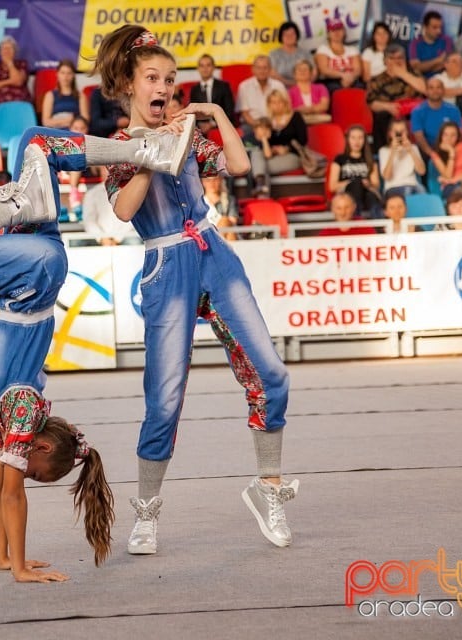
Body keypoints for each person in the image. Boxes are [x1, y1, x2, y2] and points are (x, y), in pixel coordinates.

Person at [0, 124, 195, 581]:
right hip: (32, 274)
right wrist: (21, 568)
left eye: (33, 477)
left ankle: (148, 153)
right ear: (39, 446)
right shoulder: (23, 410)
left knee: (35, 142)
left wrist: (2, 557)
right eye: (37, 472)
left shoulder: (12, 421)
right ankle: (19, 205)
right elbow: (13, 495)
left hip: (35, 265)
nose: (26, 476)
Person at [93, 25, 298, 555]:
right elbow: (123, 210)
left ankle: (268, 487)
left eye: (170, 79)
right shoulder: (115, 145)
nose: (164, 87)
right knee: (163, 400)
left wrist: (217, 116)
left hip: (214, 252)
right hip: (165, 263)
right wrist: (153, 152)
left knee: (271, 372)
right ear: (129, 85)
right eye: (153, 78)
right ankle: (146, 514)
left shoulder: (188, 130)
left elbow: (241, 164)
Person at [365, 44, 426, 151]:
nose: (396, 61)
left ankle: (423, 151)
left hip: (413, 112)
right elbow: (372, 103)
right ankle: (383, 151)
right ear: (385, 61)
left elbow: (425, 89)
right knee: (381, 116)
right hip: (390, 113)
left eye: (400, 58)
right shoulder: (376, 80)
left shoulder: (414, 74)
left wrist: (403, 74)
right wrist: (388, 107)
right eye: (392, 58)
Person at [249, 90, 306, 197]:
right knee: (256, 154)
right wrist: (264, 139)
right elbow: (263, 144)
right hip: (271, 155)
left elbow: (303, 140)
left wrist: (287, 149)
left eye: (280, 102)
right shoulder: (268, 121)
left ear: (285, 103)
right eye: (273, 102)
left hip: (292, 156)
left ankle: (262, 195)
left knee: (259, 167)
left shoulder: (296, 117)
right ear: (269, 105)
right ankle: (261, 187)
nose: (277, 105)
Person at [328, 125, 382, 218]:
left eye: (360, 138)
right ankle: (356, 218)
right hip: (346, 193)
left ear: (365, 140)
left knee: (371, 197)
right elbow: (332, 186)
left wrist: (367, 183)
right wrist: (352, 181)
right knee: (356, 184)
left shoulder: (370, 159)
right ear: (348, 139)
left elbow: (376, 184)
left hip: (366, 192)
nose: (357, 141)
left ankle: (379, 226)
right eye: (353, 138)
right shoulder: (340, 159)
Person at [411, 77, 462, 160]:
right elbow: (419, 137)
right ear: (426, 91)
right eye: (431, 88)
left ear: (443, 90)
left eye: (438, 87)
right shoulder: (417, 111)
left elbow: (459, 134)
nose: (435, 91)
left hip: (449, 148)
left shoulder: (453, 110)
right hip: (427, 150)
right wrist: (432, 154)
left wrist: (451, 150)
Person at [0, 36, 33, 120]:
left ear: (15, 51)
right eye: (4, 49)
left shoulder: (21, 64)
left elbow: (18, 81)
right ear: (0, 52)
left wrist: (10, 63)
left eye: (10, 48)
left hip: (20, 104)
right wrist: (10, 81)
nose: (6, 51)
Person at [235, 55, 286, 132]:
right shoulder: (244, 86)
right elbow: (245, 113)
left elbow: (285, 109)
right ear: (253, 69)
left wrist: (274, 124)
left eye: (265, 68)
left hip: (275, 124)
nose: (262, 71)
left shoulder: (278, 85)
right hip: (251, 125)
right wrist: (259, 126)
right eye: (258, 68)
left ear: (270, 69)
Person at [379, 119, 427, 198]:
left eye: (402, 131)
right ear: (390, 133)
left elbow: (422, 171)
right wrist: (392, 152)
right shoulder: (384, 151)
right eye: (396, 132)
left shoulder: (413, 148)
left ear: (407, 132)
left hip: (413, 185)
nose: (399, 135)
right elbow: (387, 176)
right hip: (393, 187)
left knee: (422, 193)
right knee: (407, 193)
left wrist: (410, 151)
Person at [314, 20, 363, 94]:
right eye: (333, 30)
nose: (336, 32)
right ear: (328, 34)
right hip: (331, 80)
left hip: (351, 78)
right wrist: (343, 75)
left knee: (361, 88)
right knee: (336, 90)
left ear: (344, 32)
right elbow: (324, 70)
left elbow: (358, 70)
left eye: (339, 29)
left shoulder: (352, 49)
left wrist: (349, 78)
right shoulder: (323, 49)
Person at [189, 54, 234, 133]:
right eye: (202, 66)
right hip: (201, 129)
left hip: (221, 126)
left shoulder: (223, 86)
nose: (205, 69)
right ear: (198, 68)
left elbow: (229, 111)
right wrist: (200, 125)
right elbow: (193, 112)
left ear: (213, 67)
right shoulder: (194, 90)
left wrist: (212, 124)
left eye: (208, 65)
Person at [429, 121, 462, 197]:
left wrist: (454, 180)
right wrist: (451, 152)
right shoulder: (435, 154)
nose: (449, 138)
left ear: (458, 136)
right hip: (450, 187)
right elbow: (448, 176)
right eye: (445, 135)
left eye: (453, 135)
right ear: (441, 136)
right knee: (460, 190)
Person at [41, 59, 88, 129]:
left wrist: (73, 124)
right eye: (62, 73)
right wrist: (67, 120)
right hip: (55, 133)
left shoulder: (81, 96)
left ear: (73, 75)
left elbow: (85, 119)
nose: (65, 76)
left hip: (75, 132)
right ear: (57, 74)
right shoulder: (50, 95)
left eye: (69, 73)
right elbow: (46, 122)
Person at [268, 21, 315, 87]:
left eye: (292, 34)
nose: (289, 36)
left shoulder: (305, 53)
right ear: (281, 37)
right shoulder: (274, 54)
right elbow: (273, 75)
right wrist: (288, 83)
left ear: (297, 35)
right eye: (286, 34)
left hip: (304, 88)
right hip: (281, 89)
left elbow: (314, 73)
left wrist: (302, 85)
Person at [409, 11, 453, 79]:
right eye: (435, 27)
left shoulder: (447, 40)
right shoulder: (415, 43)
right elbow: (416, 67)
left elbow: (446, 65)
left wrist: (424, 66)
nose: (439, 31)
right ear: (425, 26)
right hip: (421, 80)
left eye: (440, 27)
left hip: (442, 81)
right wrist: (438, 60)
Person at [288, 59, 330, 124]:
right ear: (294, 75)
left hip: (320, 120)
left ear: (311, 73)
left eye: (305, 70)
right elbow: (289, 110)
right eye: (299, 70)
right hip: (299, 121)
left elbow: (324, 106)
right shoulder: (289, 92)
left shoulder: (321, 87)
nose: (302, 72)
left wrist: (307, 109)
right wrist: (314, 108)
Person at [202, 174, 238, 241]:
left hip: (227, 233)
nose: (212, 183)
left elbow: (233, 221)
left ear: (220, 180)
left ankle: (218, 244)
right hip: (207, 234)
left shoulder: (229, 199)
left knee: (225, 222)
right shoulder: (199, 202)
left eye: (215, 180)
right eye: (208, 180)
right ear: (203, 182)